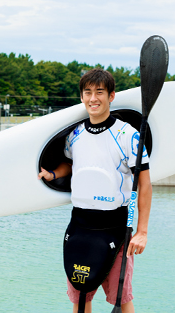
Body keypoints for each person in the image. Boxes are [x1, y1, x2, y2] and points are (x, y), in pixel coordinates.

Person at [38, 68, 152, 313]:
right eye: (87, 92)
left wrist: (141, 231)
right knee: (80, 298)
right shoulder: (75, 135)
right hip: (80, 225)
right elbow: (72, 163)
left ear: (111, 96)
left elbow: (144, 183)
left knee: (121, 297)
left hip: (116, 227)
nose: (93, 98)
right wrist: (53, 174)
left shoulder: (127, 135)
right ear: (82, 97)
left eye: (99, 92)